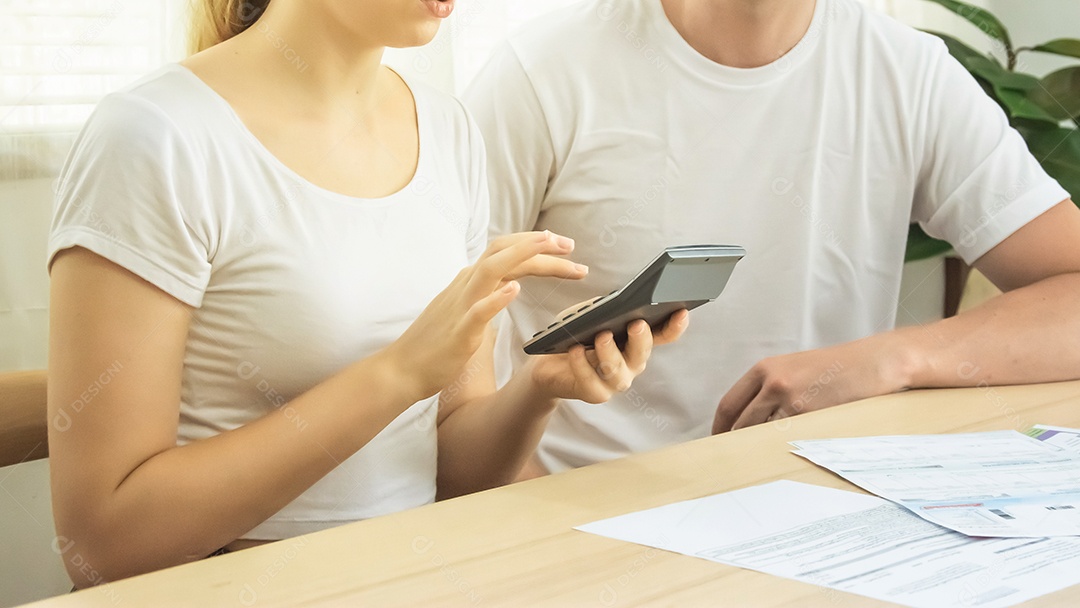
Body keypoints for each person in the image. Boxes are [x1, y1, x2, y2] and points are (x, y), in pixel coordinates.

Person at [46, 0, 687, 587]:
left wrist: (536, 391)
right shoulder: (154, 138)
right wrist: (399, 373)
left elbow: (453, 472)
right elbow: (105, 543)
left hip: (416, 577)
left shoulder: (447, 129)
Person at [464, 0, 1080, 476]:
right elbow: (441, 350)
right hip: (585, 511)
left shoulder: (908, 72)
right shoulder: (542, 73)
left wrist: (896, 359)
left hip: (818, 506)